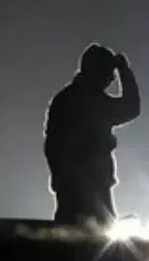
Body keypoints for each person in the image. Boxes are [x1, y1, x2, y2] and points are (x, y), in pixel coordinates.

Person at [43, 43, 141, 226]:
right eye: (109, 74)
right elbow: (131, 108)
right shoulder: (94, 103)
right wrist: (124, 71)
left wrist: (61, 176)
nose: (110, 80)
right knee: (98, 236)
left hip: (69, 188)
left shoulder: (63, 100)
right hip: (92, 188)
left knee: (69, 235)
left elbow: (51, 147)